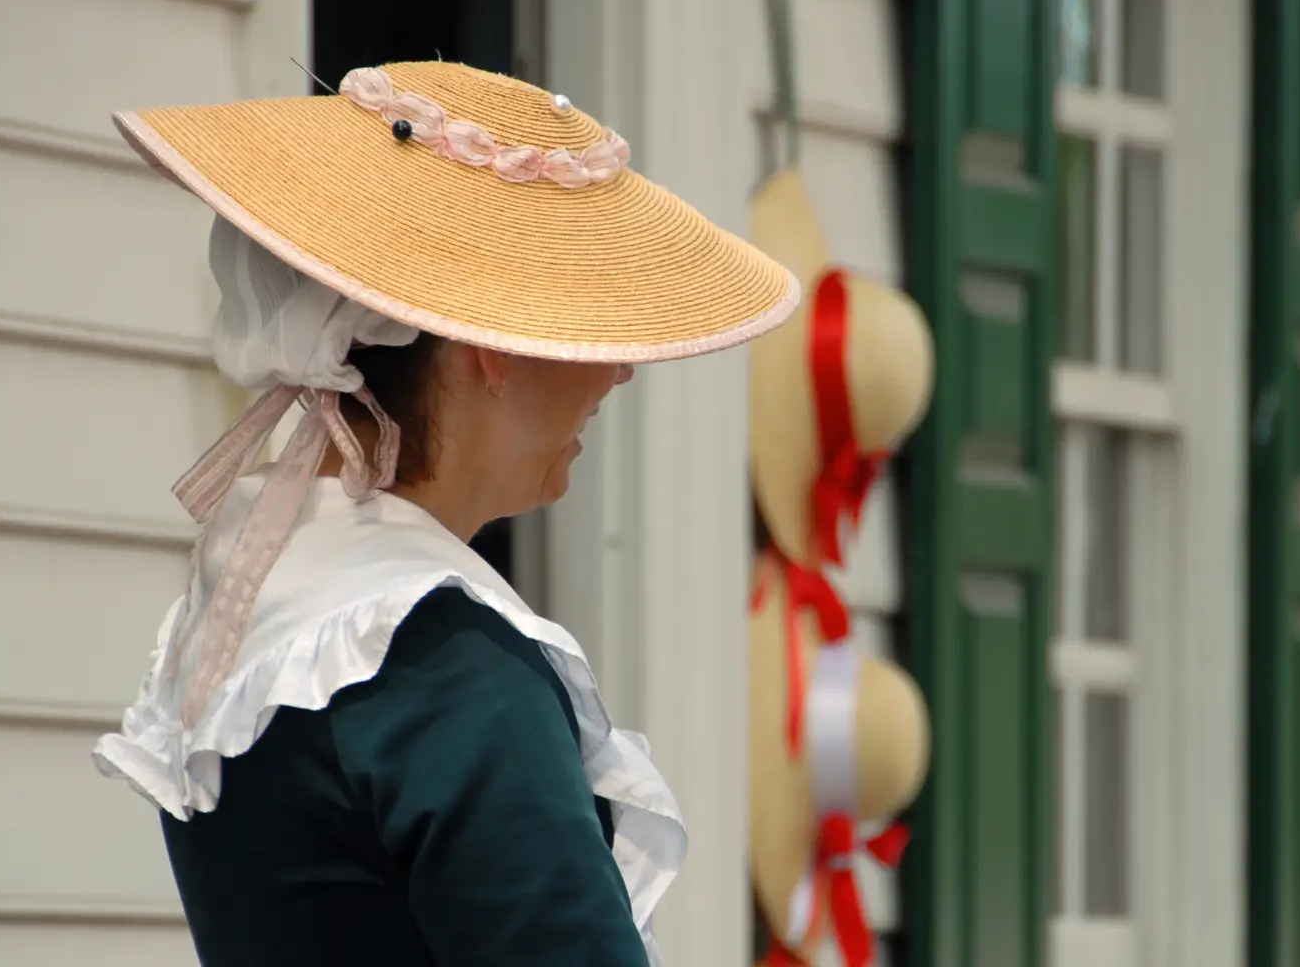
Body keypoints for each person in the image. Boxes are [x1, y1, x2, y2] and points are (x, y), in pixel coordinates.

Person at [92, 61, 799, 966]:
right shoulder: (448, 672)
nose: (620, 371)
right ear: (490, 345)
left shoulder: (265, 608)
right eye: (594, 324)